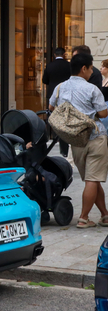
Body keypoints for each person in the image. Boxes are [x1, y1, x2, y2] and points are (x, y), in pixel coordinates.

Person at [49, 52, 108, 229]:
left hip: (75, 140)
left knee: (92, 179)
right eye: (90, 68)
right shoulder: (92, 89)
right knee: (93, 179)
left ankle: (105, 215)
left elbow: (51, 107)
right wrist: (90, 113)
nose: (92, 72)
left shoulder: (60, 87)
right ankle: (83, 218)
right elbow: (104, 113)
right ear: (84, 68)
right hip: (95, 137)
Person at [42, 48, 71, 157]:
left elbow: (44, 80)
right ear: (64, 54)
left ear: (54, 54)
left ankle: (56, 135)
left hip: (53, 93)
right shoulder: (68, 65)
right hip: (67, 94)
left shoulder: (49, 66)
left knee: (55, 115)